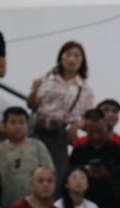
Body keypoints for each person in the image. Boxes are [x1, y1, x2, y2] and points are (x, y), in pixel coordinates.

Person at [27, 40, 94, 180]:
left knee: (54, 172)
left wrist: (76, 125)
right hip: (36, 127)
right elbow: (32, 105)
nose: (72, 59)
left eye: (77, 56)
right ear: (60, 57)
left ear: (82, 60)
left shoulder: (84, 88)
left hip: (58, 133)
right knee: (29, 169)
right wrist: (34, 90)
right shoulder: (47, 78)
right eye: (68, 54)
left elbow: (90, 116)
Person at [68, 108, 120, 208]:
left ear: (106, 127)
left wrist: (109, 174)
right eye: (91, 132)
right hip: (85, 206)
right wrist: (84, 171)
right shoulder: (78, 152)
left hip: (113, 207)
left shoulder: (118, 150)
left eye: (99, 131)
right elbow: (69, 174)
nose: (96, 135)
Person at [0, 106, 54, 208]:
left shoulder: (37, 146)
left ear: (28, 125)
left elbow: (50, 174)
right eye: (13, 123)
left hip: (38, 205)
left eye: (21, 123)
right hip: (10, 207)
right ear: (5, 125)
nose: (17, 126)